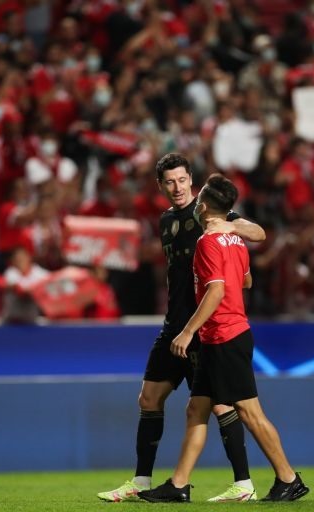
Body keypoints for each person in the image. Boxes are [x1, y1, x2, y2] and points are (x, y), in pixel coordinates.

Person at [98, 153, 266, 503]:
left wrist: (231, 226)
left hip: (200, 328)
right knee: (149, 397)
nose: (177, 187)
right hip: (173, 326)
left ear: (192, 180)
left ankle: (243, 484)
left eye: (182, 180)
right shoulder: (165, 221)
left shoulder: (207, 213)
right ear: (160, 185)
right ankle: (141, 481)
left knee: (220, 406)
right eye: (169, 182)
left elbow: (259, 233)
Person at [138, 174, 309, 503]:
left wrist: (187, 331)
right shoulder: (236, 241)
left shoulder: (207, 242)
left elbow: (216, 290)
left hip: (224, 335)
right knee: (196, 409)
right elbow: (246, 282)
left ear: (202, 206)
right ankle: (178, 485)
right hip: (228, 333)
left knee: (249, 413)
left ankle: (288, 478)